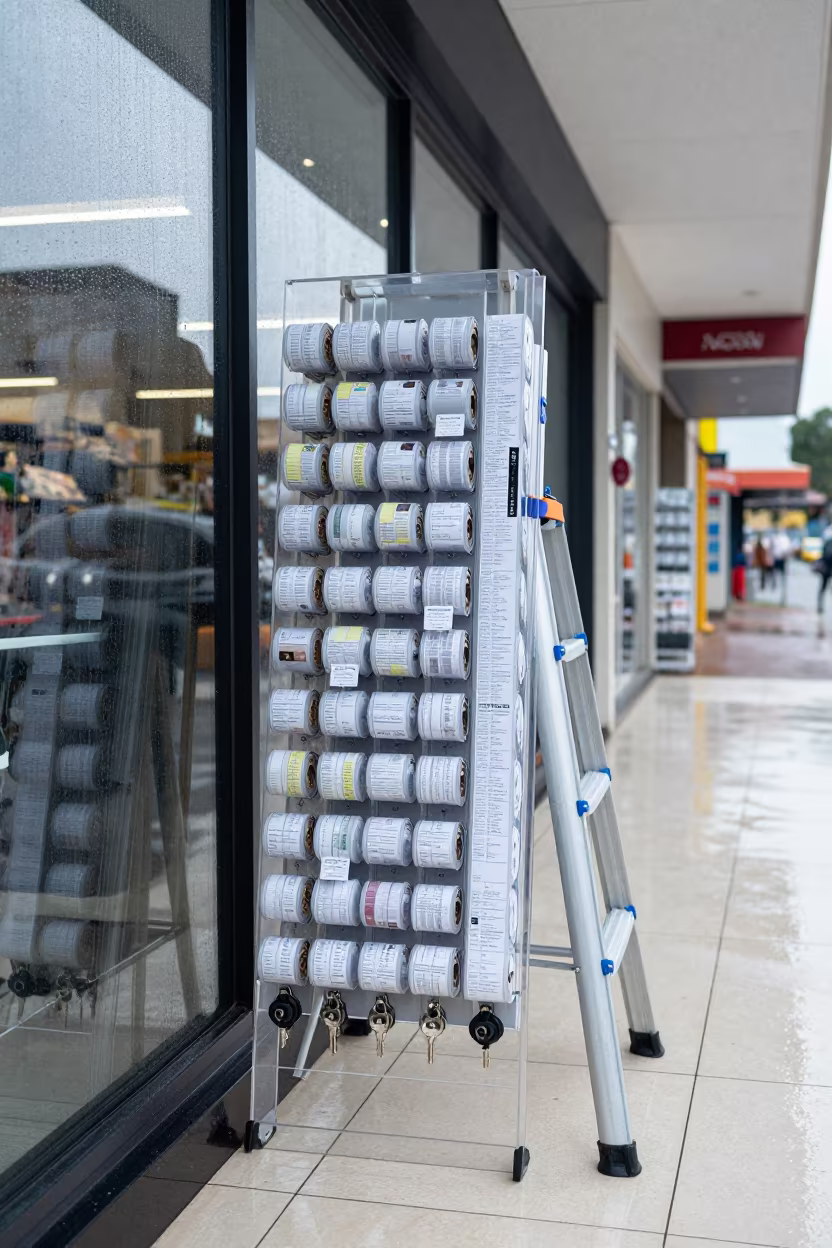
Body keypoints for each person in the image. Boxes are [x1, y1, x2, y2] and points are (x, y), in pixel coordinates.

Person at [816, 533, 832, 614]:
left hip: (826, 569)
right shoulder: (828, 542)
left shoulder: (827, 542)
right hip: (828, 568)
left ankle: (820, 606)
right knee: (823, 588)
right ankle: (820, 606)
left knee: (822, 589)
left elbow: (823, 555)